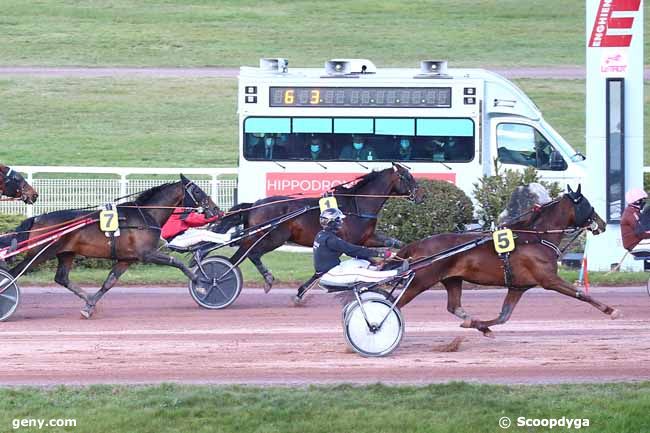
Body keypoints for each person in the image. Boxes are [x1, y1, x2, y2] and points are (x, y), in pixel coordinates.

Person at [313, 208, 404, 286]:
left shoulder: (322, 234)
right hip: (330, 274)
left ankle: (379, 271)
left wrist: (371, 260)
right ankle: (397, 274)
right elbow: (354, 250)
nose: (341, 222)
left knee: (361, 262)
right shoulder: (331, 240)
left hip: (335, 268)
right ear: (331, 222)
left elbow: (350, 251)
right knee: (360, 273)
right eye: (338, 220)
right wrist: (382, 253)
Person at [161, 207, 229, 250]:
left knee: (203, 233)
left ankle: (227, 238)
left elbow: (193, 222)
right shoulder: (176, 210)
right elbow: (194, 219)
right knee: (202, 235)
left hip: (179, 237)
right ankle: (227, 239)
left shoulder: (172, 209)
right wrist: (216, 217)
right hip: (173, 241)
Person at [620, 188, 650, 256]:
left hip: (639, 243)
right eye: (642, 200)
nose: (644, 202)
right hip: (635, 246)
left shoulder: (634, 212)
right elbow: (642, 232)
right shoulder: (631, 213)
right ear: (636, 201)